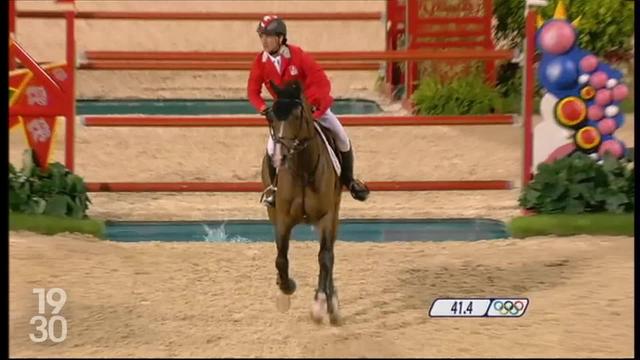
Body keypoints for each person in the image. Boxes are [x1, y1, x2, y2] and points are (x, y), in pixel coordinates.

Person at [247, 15, 370, 207]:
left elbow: (319, 81)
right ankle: (273, 189)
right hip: (286, 115)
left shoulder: (298, 56)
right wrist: (264, 109)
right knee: (272, 149)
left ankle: (350, 181)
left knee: (341, 136)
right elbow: (252, 92)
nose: (264, 40)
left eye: (268, 36)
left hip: (313, 107)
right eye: (261, 36)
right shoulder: (260, 62)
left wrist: (311, 105)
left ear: (280, 38)